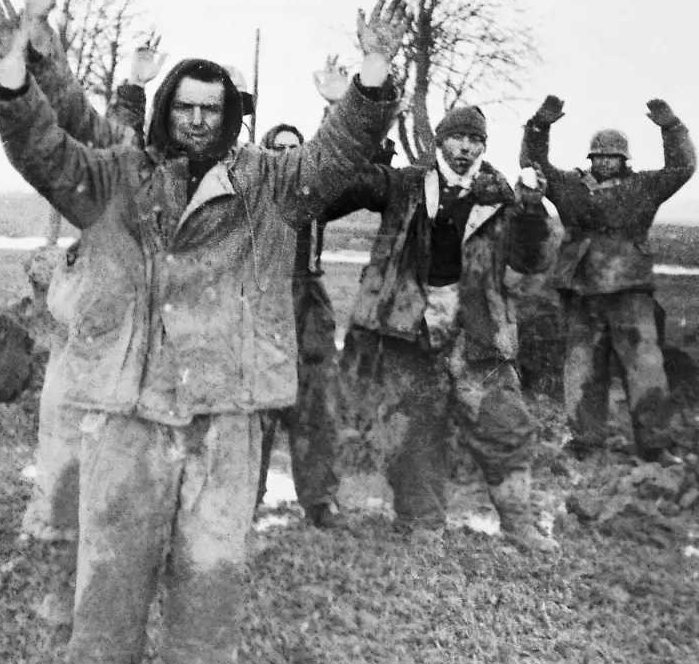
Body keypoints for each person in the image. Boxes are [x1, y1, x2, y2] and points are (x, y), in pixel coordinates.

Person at [0, 0, 406, 664]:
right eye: (186, 106)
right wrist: (13, 72)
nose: (199, 120)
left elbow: (339, 153)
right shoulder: (113, 175)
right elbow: (43, 150)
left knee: (214, 566)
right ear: (165, 109)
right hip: (131, 405)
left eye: (213, 109)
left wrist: (373, 74)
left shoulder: (271, 184)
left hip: (225, 410)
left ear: (231, 116)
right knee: (112, 566)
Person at [14, 0, 163, 625]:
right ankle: (57, 584)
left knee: (132, 485)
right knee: (65, 469)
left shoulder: (212, 186)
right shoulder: (118, 164)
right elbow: (73, 114)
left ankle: (118, 587)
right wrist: (41, 39)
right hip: (88, 349)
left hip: (152, 361)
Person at [338, 105, 560, 553]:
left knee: (504, 425)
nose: (465, 147)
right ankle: (422, 523)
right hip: (408, 326)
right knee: (413, 426)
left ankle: (520, 526)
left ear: (483, 146)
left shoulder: (502, 194)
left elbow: (530, 261)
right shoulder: (403, 184)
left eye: (474, 140)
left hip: (478, 328)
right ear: (440, 141)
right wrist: (344, 110)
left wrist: (534, 210)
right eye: (457, 138)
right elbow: (349, 177)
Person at [254, 57, 397, 529]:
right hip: (257, 301)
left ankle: (320, 500)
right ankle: (241, 497)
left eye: (298, 150)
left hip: (308, 304)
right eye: (279, 150)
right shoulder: (249, 192)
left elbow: (353, 166)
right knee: (255, 405)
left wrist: (341, 106)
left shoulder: (318, 194)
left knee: (316, 403)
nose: (288, 157)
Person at [520, 96, 696, 465]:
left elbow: (682, 166)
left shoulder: (645, 187)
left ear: (624, 160)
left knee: (646, 369)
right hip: (583, 294)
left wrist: (672, 128)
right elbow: (532, 166)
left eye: (612, 156)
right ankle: (586, 443)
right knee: (582, 370)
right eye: (599, 155)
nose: (605, 161)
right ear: (590, 159)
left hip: (631, 295)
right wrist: (539, 126)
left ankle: (655, 444)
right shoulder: (569, 187)